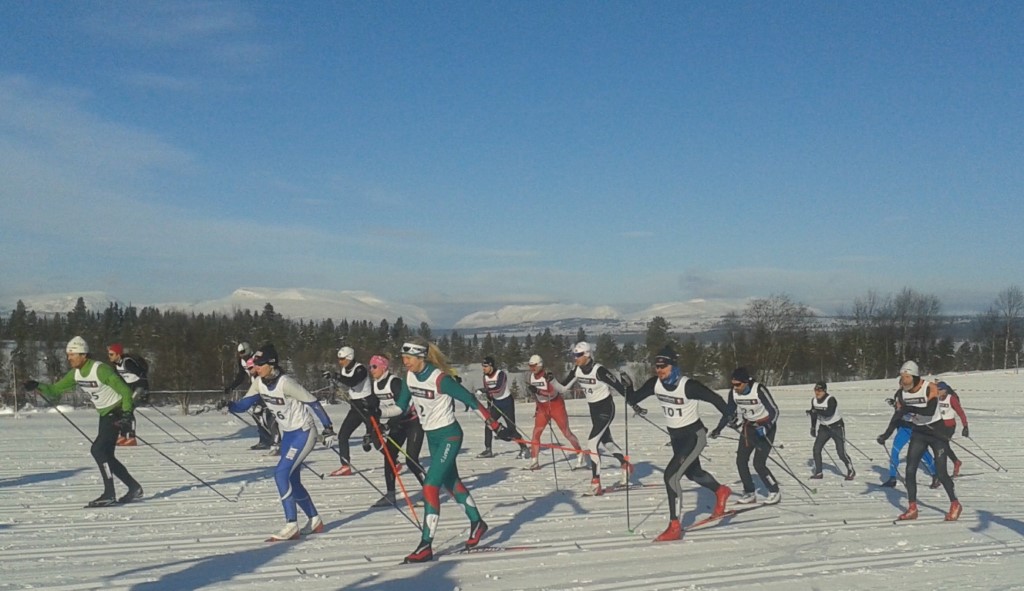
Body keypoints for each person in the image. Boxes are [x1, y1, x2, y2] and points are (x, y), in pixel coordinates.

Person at [394, 339, 506, 563]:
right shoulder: (409, 377)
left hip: (450, 436)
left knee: (430, 485)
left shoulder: (440, 379)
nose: (404, 362)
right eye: (403, 358)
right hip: (433, 438)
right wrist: (377, 412)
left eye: (408, 358)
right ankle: (477, 523)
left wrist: (494, 425)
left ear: (420, 358)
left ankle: (426, 544)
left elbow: (471, 400)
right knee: (451, 483)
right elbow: (399, 407)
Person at [218, 343, 337, 540]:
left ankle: (291, 524)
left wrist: (328, 428)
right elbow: (243, 405)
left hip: (304, 433)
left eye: (259, 364)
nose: (255, 368)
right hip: (289, 435)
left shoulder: (286, 383)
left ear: (271, 364)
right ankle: (314, 520)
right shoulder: (259, 382)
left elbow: (313, 402)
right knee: (292, 480)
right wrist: (229, 405)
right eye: (254, 364)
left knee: (281, 475)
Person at [625, 346, 733, 542]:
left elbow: (715, 398)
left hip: (694, 436)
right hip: (677, 438)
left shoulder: (688, 386)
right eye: (657, 367)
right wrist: (627, 386)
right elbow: (632, 399)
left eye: (663, 366)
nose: (659, 370)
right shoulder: (654, 384)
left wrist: (729, 415)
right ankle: (721, 491)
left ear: (673, 366)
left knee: (671, 476)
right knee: (693, 473)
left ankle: (674, 526)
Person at [24, 336, 143, 507]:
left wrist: (126, 414)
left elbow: (124, 391)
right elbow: (55, 391)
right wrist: (36, 385)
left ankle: (109, 494)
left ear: (83, 355)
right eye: (68, 355)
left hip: (116, 411)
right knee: (106, 454)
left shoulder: (100, 369)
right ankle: (133, 487)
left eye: (72, 354)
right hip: (105, 413)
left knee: (98, 450)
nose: (69, 358)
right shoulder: (76, 373)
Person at [876, 361, 960, 521]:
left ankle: (955, 503)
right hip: (919, 432)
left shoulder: (929, 388)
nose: (903, 380)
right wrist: (886, 435)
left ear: (915, 377)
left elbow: (929, 410)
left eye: (907, 377)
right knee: (910, 470)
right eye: (902, 377)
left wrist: (908, 409)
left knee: (941, 473)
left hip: (937, 432)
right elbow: (898, 415)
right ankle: (912, 507)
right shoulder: (901, 393)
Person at [557, 342, 634, 495]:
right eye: (574, 355)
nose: (575, 358)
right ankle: (625, 464)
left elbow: (619, 387)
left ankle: (595, 482)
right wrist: (549, 380)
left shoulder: (600, 371)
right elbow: (562, 388)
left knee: (592, 442)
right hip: (593, 409)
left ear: (587, 355)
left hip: (606, 408)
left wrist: (634, 404)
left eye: (578, 355)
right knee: (606, 441)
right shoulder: (577, 370)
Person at [711, 367, 781, 505]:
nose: (735, 387)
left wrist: (766, 427)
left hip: (765, 426)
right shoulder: (734, 393)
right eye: (733, 384)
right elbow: (729, 412)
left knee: (758, 463)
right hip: (748, 428)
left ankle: (774, 491)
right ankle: (749, 492)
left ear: (746, 382)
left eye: (738, 384)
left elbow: (775, 411)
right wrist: (718, 429)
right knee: (741, 461)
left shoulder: (758, 389)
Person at [369, 354, 425, 508]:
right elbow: (377, 408)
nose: (371, 370)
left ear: (383, 367)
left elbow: (403, 407)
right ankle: (390, 494)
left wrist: (387, 425)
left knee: (411, 460)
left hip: (413, 422)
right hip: (397, 423)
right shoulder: (375, 384)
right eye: (370, 366)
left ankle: (429, 492)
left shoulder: (394, 382)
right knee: (389, 456)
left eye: (374, 366)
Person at [324, 346, 381, 477]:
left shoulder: (360, 369)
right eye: (339, 359)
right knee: (343, 436)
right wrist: (332, 377)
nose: (340, 362)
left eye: (342, 359)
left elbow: (353, 382)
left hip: (367, 406)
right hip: (355, 407)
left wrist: (336, 376)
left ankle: (394, 462)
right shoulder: (344, 369)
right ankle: (345, 466)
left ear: (349, 357)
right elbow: (345, 382)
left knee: (375, 438)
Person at [525, 354, 584, 470]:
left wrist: (537, 391)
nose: (532, 369)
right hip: (543, 407)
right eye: (530, 366)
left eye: (534, 366)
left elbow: (552, 392)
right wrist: (537, 405)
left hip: (556, 405)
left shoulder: (548, 375)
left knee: (566, 432)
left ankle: (579, 452)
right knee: (536, 432)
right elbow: (536, 395)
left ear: (540, 365)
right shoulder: (531, 377)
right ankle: (534, 461)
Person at [880, 377, 938, 488]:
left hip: (917, 428)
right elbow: (898, 413)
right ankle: (892, 478)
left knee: (924, 453)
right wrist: (886, 434)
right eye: (902, 384)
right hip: (904, 427)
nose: (904, 386)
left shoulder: (919, 393)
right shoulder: (899, 394)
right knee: (895, 450)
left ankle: (936, 474)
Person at [225, 342, 279, 451]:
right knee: (257, 414)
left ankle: (276, 440)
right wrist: (232, 386)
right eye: (240, 353)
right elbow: (241, 375)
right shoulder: (242, 361)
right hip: (256, 388)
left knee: (266, 414)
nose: (241, 355)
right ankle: (265, 440)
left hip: (266, 387)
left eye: (243, 352)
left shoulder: (258, 357)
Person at [476, 356, 529, 459]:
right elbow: (489, 394)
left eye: (485, 366)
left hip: (507, 403)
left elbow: (498, 389)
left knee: (511, 428)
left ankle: (524, 448)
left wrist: (484, 390)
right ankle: (488, 450)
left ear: (491, 366)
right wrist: (489, 406)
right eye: (483, 366)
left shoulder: (501, 374)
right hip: (496, 403)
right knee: (488, 424)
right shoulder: (485, 377)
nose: (484, 368)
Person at [806, 382, 855, 480]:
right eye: (815, 390)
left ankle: (851, 470)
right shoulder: (814, 400)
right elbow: (814, 414)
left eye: (819, 391)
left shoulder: (831, 399)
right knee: (816, 449)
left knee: (841, 452)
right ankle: (819, 472)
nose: (817, 393)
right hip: (824, 428)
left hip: (836, 427)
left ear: (824, 391)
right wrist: (813, 427)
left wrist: (816, 411)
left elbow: (829, 413)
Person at [107, 343, 148, 447]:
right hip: (131, 389)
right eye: (109, 354)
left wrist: (141, 389)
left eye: (111, 354)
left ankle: (131, 437)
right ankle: (124, 435)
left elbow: (142, 374)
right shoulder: (117, 364)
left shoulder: (127, 362)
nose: (109, 356)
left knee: (128, 410)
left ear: (118, 354)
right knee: (122, 410)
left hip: (139, 388)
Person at [937, 381, 969, 477]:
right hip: (939, 425)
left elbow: (960, 412)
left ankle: (943, 471)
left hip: (949, 426)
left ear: (945, 390)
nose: (938, 391)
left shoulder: (951, 399)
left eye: (940, 390)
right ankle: (956, 461)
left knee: (942, 446)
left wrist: (965, 426)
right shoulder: (935, 398)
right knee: (942, 447)